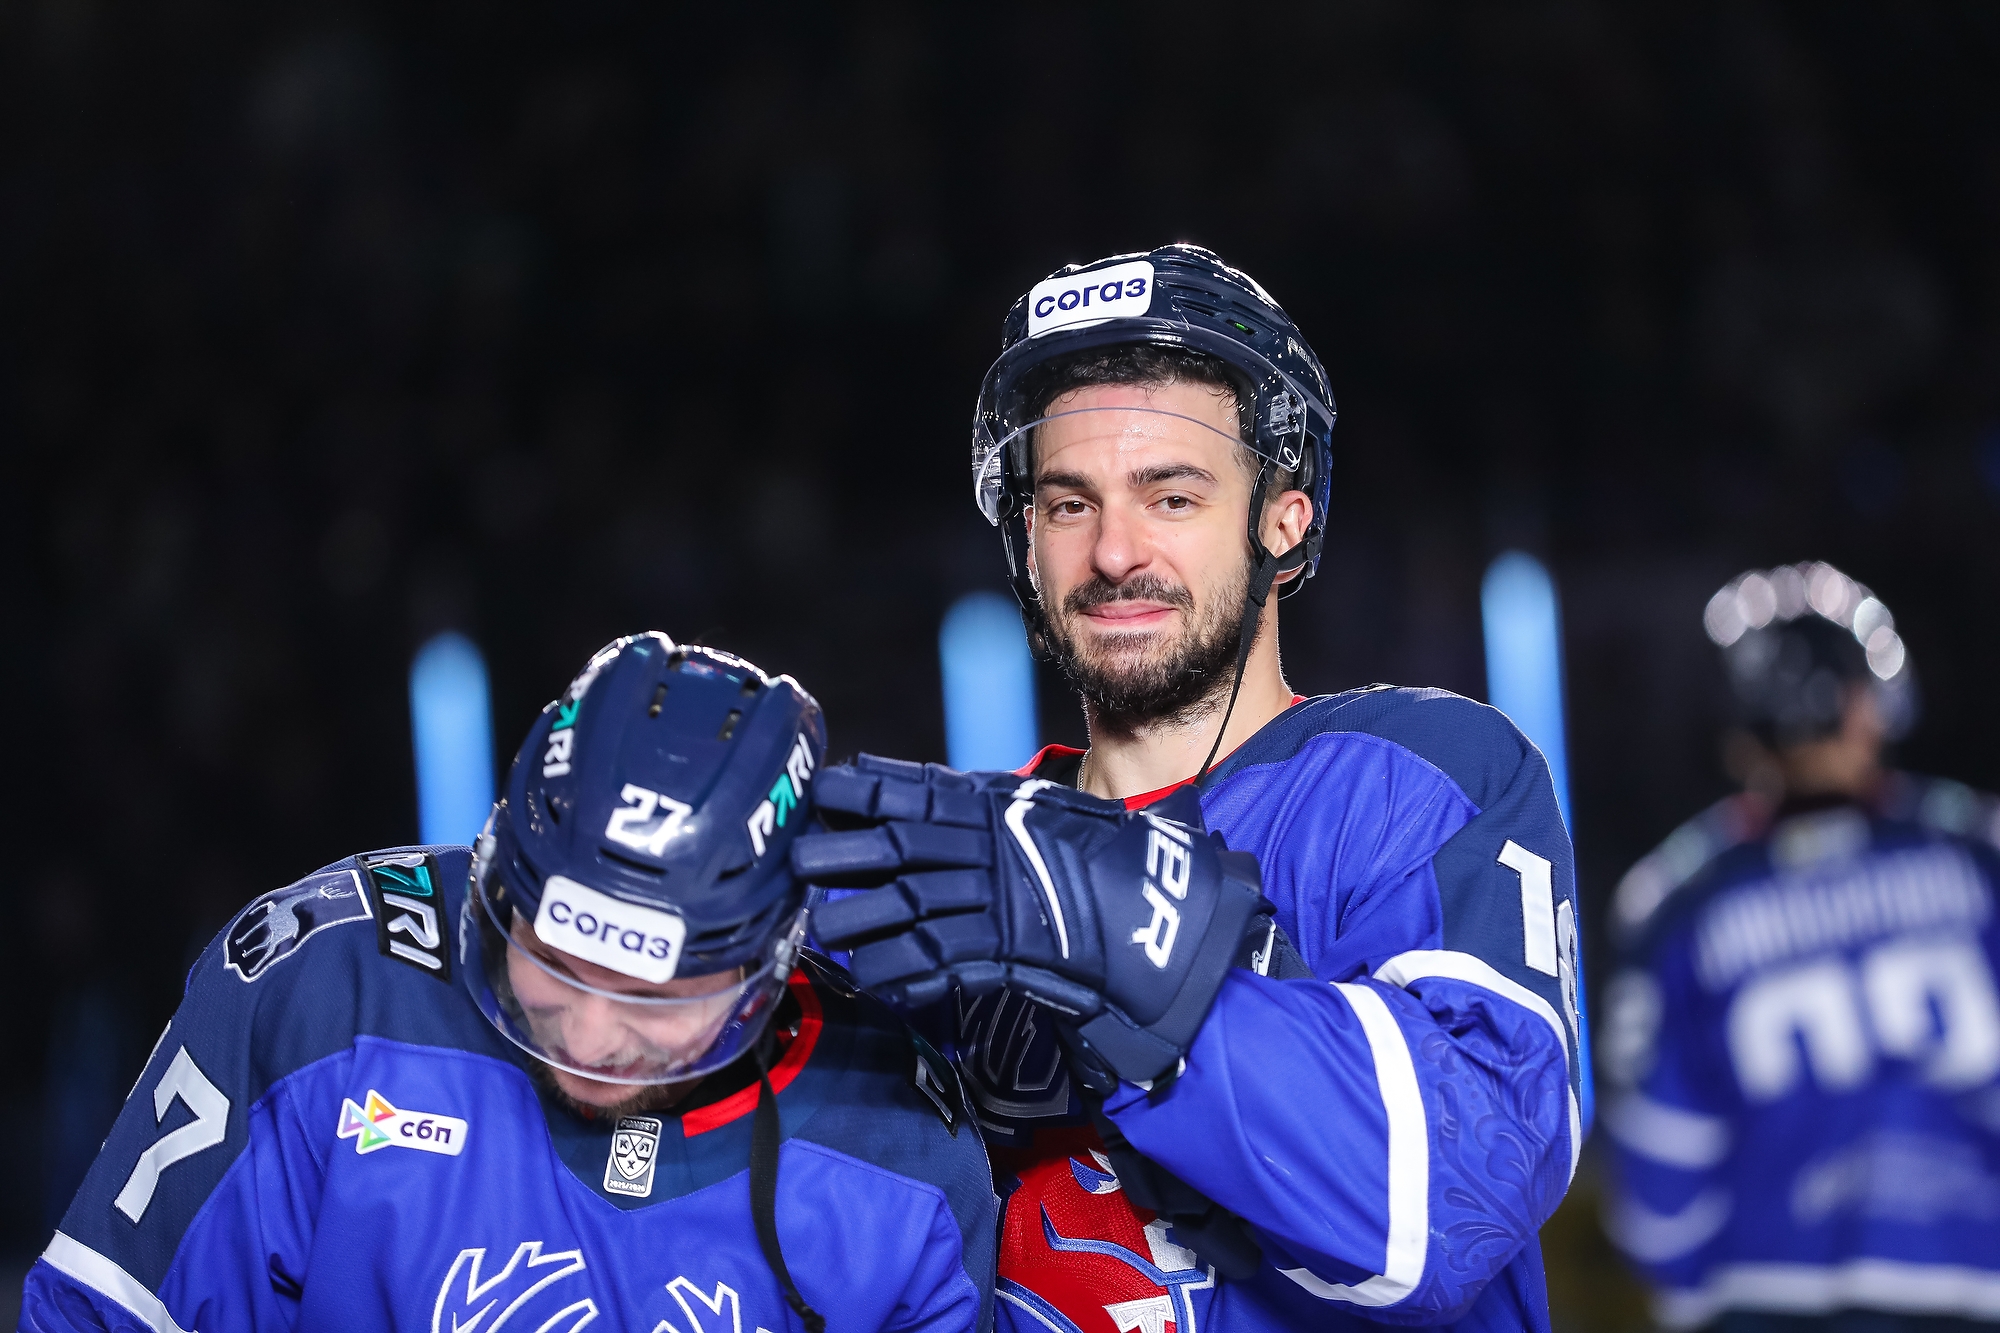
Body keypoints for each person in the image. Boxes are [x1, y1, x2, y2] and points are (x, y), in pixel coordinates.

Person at [799, 243, 1584, 1333]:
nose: (1114, 551)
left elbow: (1460, 1191)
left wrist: (1112, 927)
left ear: (1283, 517)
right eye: (1067, 504)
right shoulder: (933, 868)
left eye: (1170, 495)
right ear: (1023, 540)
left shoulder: (1419, 776)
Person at [22, 633, 996, 1333]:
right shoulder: (325, 989)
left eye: (656, 995)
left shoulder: (905, 1157)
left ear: (765, 967)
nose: (590, 1036)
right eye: (555, 962)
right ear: (503, 884)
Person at [1600, 562, 2000, 1331]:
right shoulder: (1979, 855)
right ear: (1862, 703)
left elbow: (1656, 1175)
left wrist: (1694, 1291)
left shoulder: (1677, 901)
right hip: (1971, 1281)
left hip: (1765, 1294)